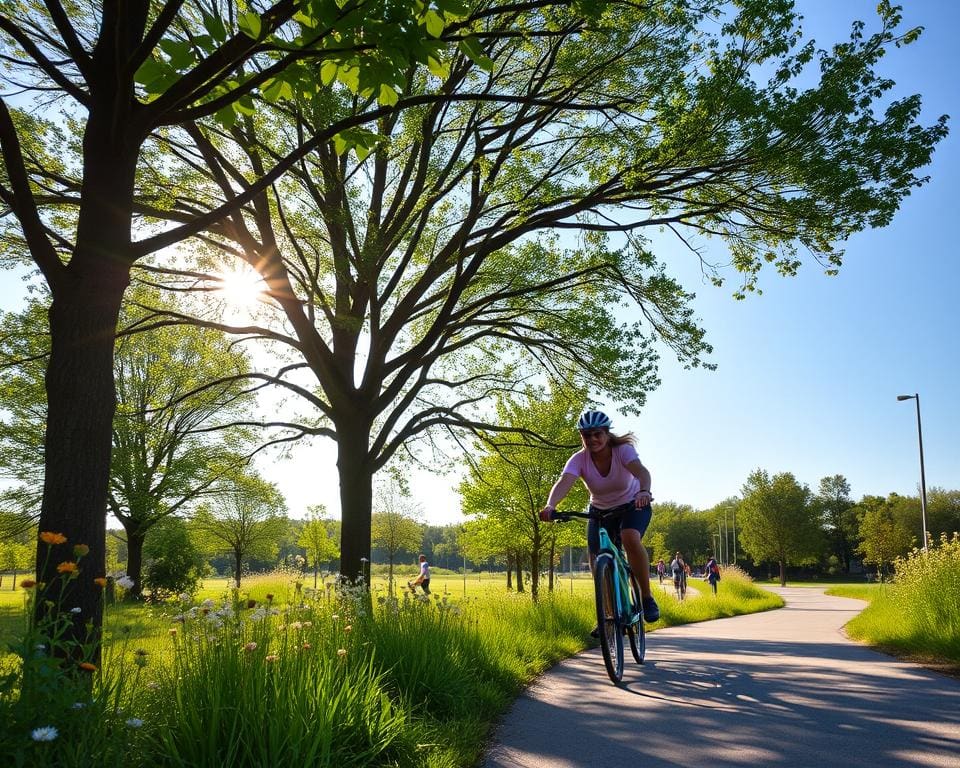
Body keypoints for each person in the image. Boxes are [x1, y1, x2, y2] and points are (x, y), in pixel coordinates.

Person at [540, 410, 659, 627]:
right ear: (581, 437)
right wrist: (551, 505)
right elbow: (564, 482)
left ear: (606, 434)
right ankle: (608, 615)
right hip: (600, 510)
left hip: (633, 504)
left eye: (597, 434)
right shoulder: (579, 459)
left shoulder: (623, 450)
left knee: (630, 537)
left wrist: (644, 491)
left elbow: (642, 472)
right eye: (587, 435)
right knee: (596, 558)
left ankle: (647, 598)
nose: (592, 439)